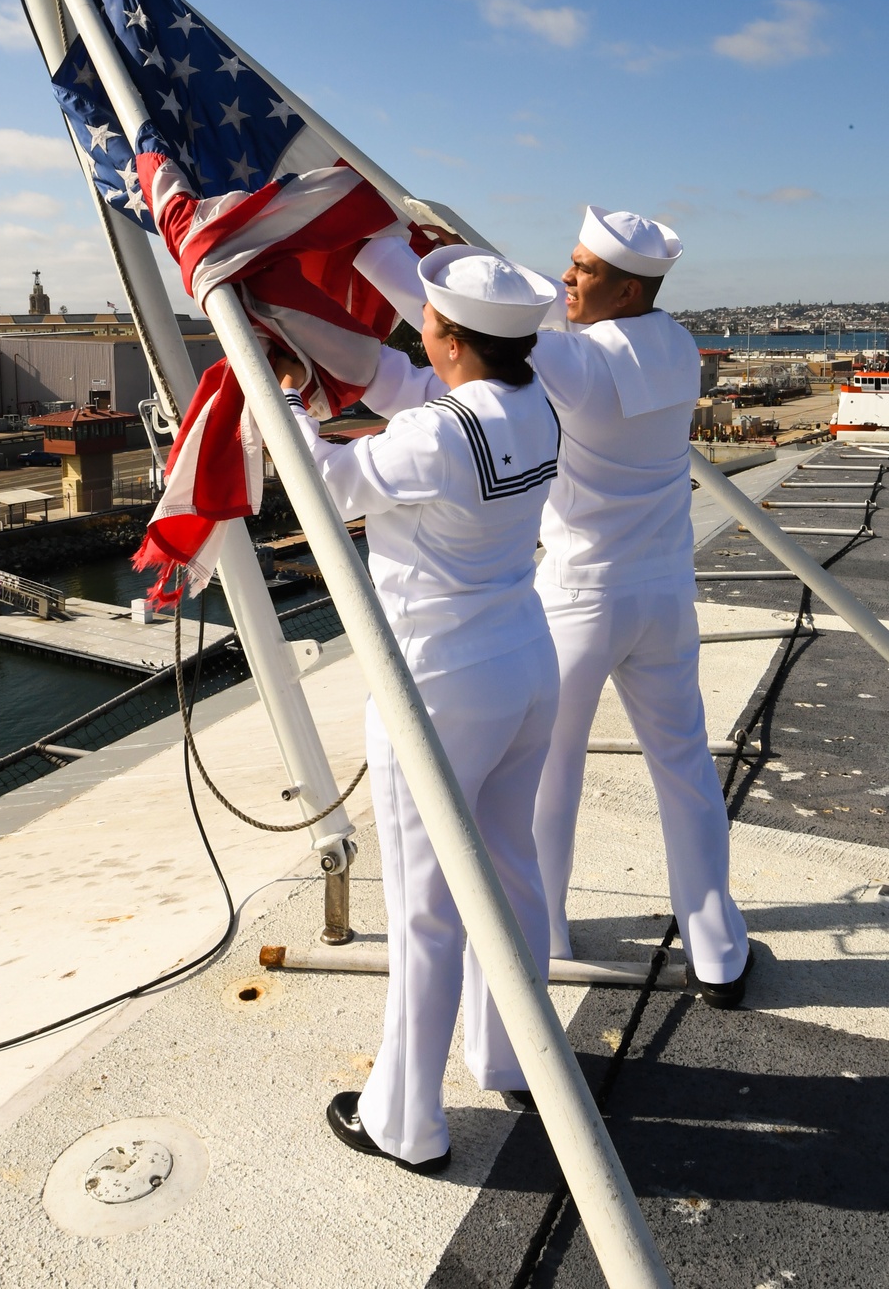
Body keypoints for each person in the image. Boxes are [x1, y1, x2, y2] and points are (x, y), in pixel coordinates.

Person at [350, 208, 751, 1009]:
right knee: (684, 766)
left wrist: (378, 244)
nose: (567, 278)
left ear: (628, 286)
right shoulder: (677, 347)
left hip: (581, 593)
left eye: (583, 269)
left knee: (549, 774)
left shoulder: (572, 361)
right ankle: (717, 948)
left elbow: (449, 317)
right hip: (665, 590)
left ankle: (553, 934)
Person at [276, 249, 561, 1172]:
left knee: (425, 908)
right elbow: (427, 416)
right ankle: (512, 1054)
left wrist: (277, 401)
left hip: (442, 686)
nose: (420, 334)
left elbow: (326, 485)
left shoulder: (438, 436)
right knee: (512, 873)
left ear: (448, 337)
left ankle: (405, 1119)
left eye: (428, 325)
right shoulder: (537, 402)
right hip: (526, 660)